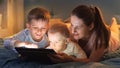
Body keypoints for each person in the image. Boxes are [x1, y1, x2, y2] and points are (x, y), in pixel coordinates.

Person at [49, 5, 120, 63]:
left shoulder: (100, 40)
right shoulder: (71, 30)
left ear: (90, 26)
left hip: (113, 40)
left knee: (114, 32)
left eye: (78, 27)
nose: (73, 30)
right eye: (72, 24)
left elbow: (92, 60)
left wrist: (70, 59)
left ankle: (114, 23)